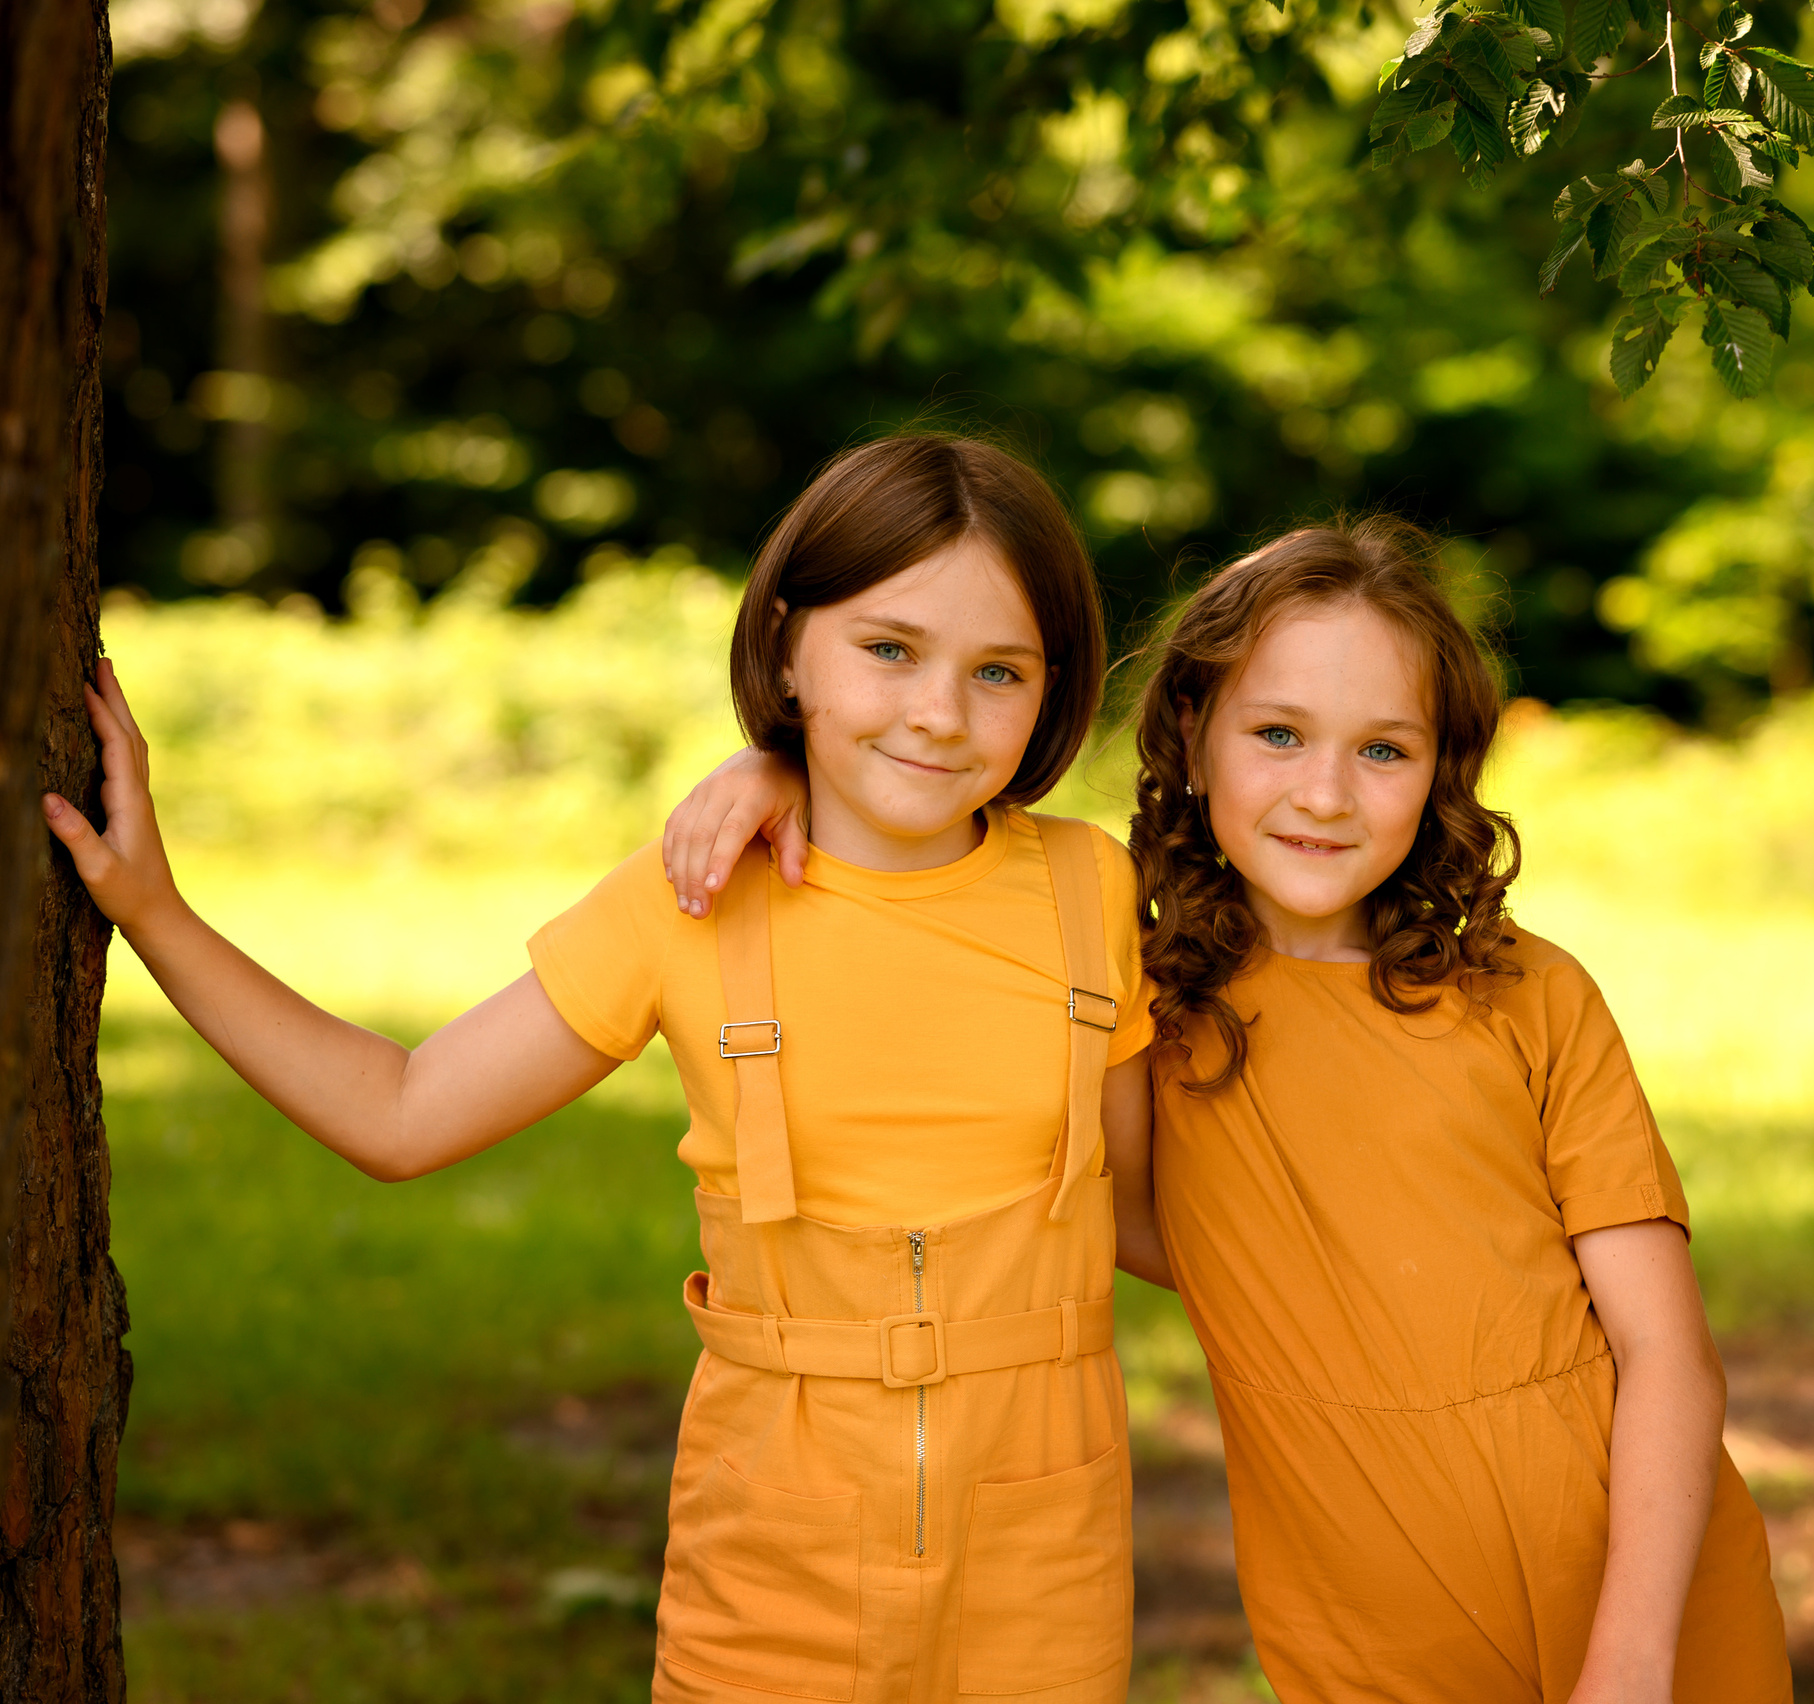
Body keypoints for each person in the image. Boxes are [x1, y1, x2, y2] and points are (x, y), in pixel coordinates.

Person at [46, 434, 1158, 1704]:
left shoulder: (1092, 891)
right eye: (888, 649)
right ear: (789, 643)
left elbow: (1150, 1211)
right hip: (776, 1547)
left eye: (997, 670)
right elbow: (401, 1116)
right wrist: (154, 910)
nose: (938, 712)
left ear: (1052, 687)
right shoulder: (687, 899)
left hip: (1045, 1556)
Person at [662, 516, 1793, 1703]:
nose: (1324, 793)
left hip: (1651, 1595)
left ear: (1443, 768)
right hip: (1360, 1613)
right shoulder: (1122, 996)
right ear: (1192, 738)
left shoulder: (1528, 998)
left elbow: (1667, 1352)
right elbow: (935, 905)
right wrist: (781, 764)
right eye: (1277, 733)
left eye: (1383, 751)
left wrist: (1634, 1657)